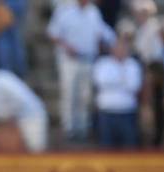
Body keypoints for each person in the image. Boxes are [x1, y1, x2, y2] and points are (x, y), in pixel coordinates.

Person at [46, 0, 115, 142]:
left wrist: (106, 44)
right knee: (69, 93)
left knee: (86, 95)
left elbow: (101, 33)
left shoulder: (93, 12)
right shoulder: (64, 10)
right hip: (69, 60)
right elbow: (52, 33)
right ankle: (68, 127)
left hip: (88, 58)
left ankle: (83, 127)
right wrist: (66, 46)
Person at [92, 38, 142, 148]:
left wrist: (113, 82)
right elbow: (100, 82)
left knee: (129, 147)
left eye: (122, 48)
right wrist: (122, 81)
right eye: (117, 48)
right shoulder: (103, 63)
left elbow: (134, 86)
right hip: (107, 113)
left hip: (127, 113)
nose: (120, 51)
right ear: (112, 49)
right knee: (106, 147)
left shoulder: (133, 64)